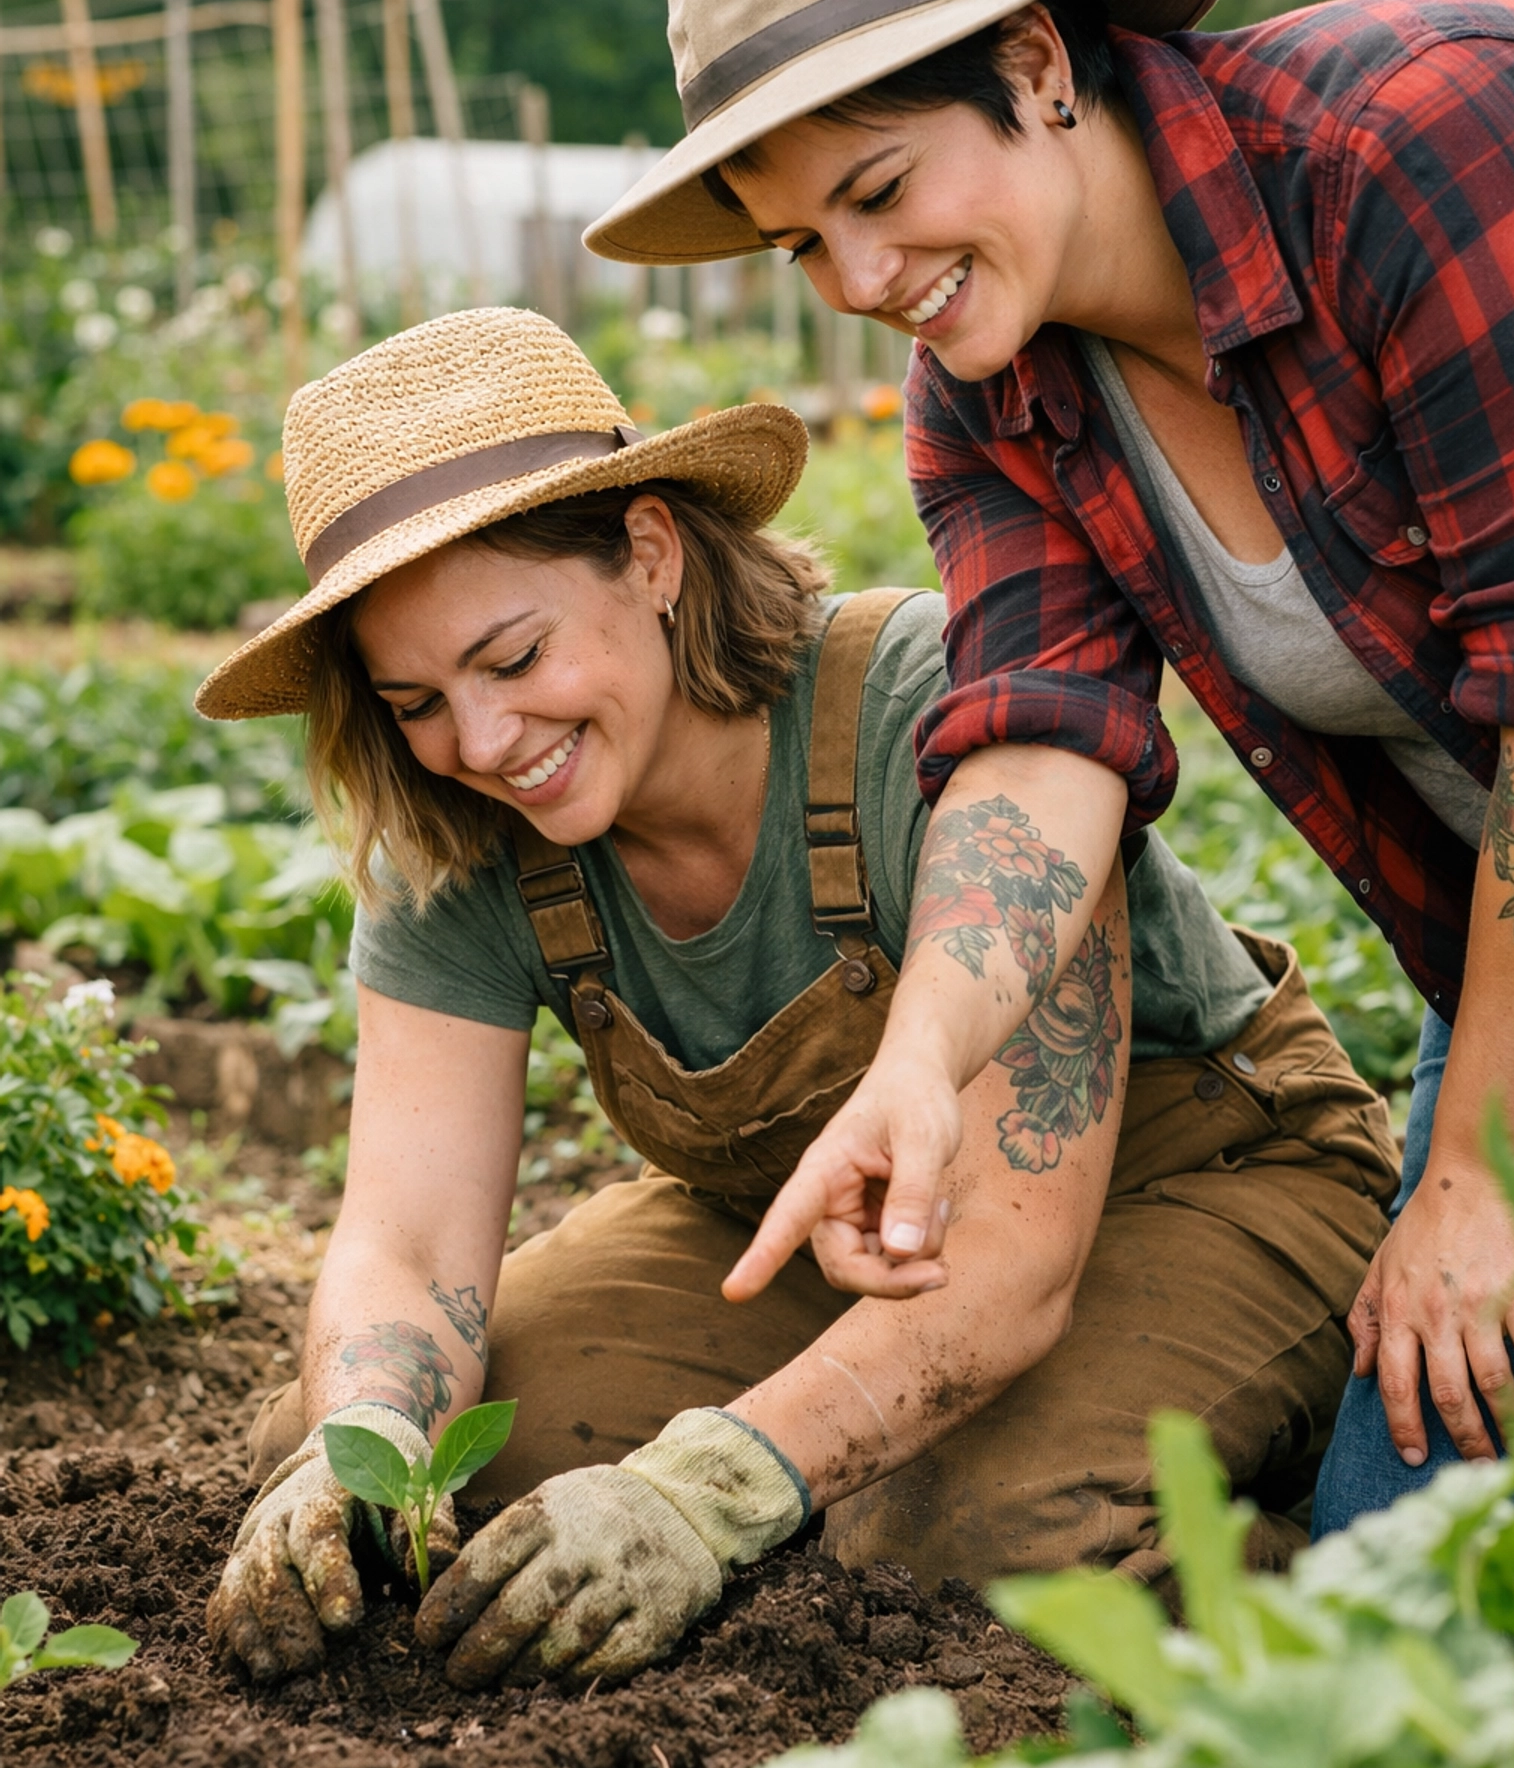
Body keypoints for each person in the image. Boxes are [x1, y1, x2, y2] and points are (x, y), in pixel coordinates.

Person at [197, 307, 1392, 1686]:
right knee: (371, 1456)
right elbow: (404, 1243)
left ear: (649, 556)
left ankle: (1352, 1578)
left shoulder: (932, 711)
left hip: (1195, 1183)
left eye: (514, 660)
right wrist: (372, 1445)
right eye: (412, 701)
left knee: (956, 1532)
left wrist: (700, 1492)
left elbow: (1007, 1260)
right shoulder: (460, 840)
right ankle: (909, 1431)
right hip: (804, 1248)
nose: (478, 743)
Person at [584, 0, 1514, 1534]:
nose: (863, 282)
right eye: (803, 243)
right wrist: (919, 1063)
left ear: (1038, 65)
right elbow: (1040, 749)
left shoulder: (1414, 144)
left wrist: (1473, 1170)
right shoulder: (998, 393)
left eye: (876, 191)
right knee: (1404, 1591)